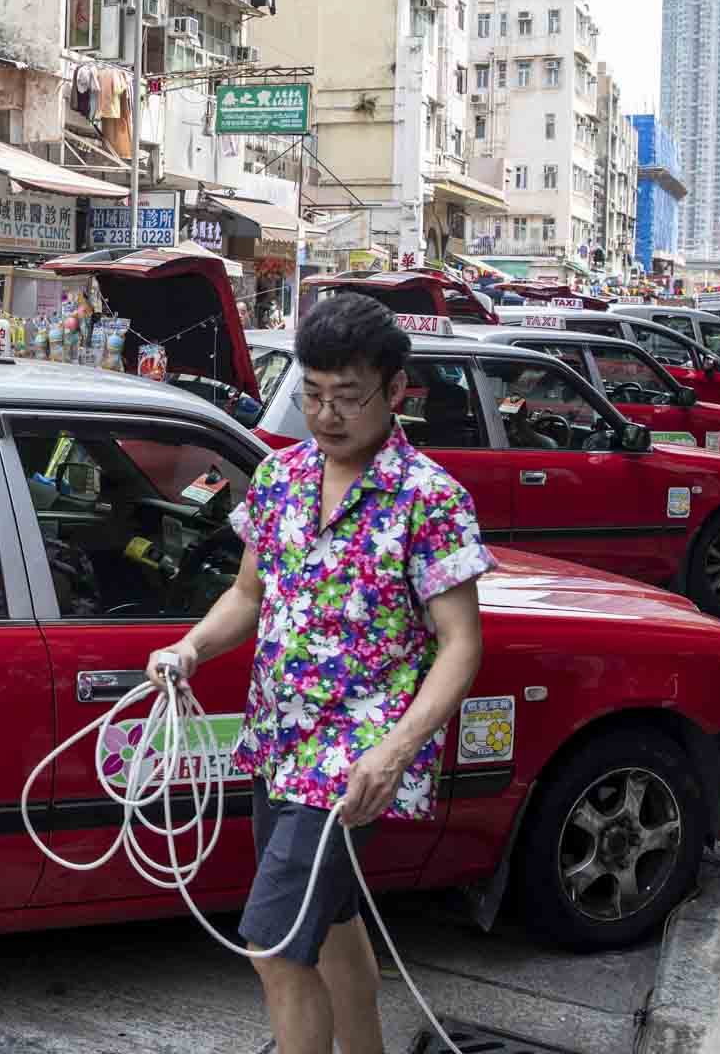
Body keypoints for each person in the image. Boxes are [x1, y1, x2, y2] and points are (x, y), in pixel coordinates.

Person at [146, 293, 486, 1054]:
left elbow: (461, 643)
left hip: (352, 759)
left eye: (348, 398)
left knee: (272, 941)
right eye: (313, 395)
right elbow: (246, 593)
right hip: (278, 741)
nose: (327, 416)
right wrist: (192, 648)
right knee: (329, 923)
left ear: (396, 392)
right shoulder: (281, 479)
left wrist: (396, 750)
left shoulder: (429, 498)